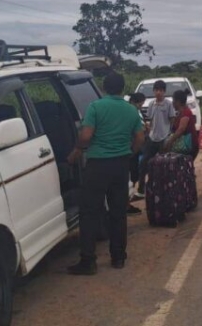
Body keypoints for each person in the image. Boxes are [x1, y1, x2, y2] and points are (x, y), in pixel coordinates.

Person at [67, 72, 145, 275]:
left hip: (97, 166)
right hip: (120, 166)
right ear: (122, 88)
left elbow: (85, 135)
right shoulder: (130, 110)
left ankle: (88, 261)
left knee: (90, 212)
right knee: (118, 213)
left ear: (104, 87)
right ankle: (118, 257)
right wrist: (129, 153)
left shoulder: (96, 107)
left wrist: (77, 150)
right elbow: (139, 138)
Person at [135, 80, 176, 198]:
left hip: (164, 138)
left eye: (161, 90)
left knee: (164, 164)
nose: (158, 92)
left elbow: (172, 119)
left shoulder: (168, 104)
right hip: (152, 138)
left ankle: (165, 188)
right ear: (153, 91)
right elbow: (150, 120)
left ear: (164, 91)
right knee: (143, 163)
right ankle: (141, 189)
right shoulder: (152, 104)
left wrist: (169, 134)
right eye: (156, 90)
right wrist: (148, 130)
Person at [164, 90, 199, 159]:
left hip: (189, 146)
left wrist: (170, 141)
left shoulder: (186, 113)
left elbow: (181, 129)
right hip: (185, 146)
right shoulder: (180, 113)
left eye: (173, 100)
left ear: (178, 102)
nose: (172, 103)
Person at [127, 93, 147, 215]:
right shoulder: (132, 112)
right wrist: (134, 151)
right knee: (132, 175)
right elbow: (140, 135)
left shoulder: (128, 111)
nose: (141, 106)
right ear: (136, 102)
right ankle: (127, 203)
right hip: (131, 149)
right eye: (141, 103)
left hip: (128, 148)